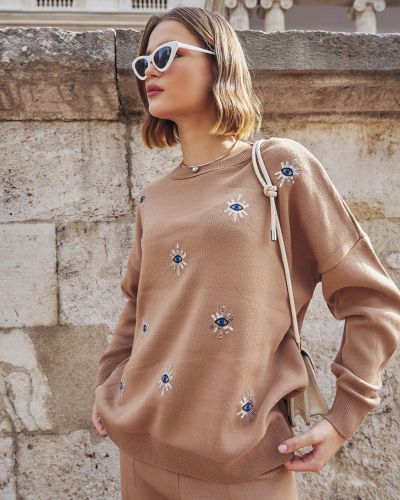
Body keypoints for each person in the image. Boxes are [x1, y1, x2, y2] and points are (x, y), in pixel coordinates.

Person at [91, 6, 400, 500]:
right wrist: (108, 384)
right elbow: (137, 304)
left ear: (219, 63)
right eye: (143, 62)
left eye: (166, 55)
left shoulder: (278, 168)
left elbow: (372, 299)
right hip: (139, 453)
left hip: (242, 466)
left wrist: (343, 417)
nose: (150, 71)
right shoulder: (153, 197)